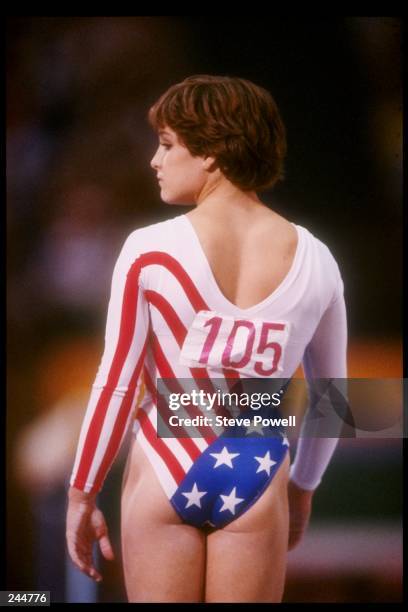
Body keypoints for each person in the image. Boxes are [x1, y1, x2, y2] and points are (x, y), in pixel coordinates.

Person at [66, 74, 347, 603]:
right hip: (257, 465)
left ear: (213, 152)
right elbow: (332, 398)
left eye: (168, 144)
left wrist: (82, 492)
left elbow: (116, 385)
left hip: (165, 461)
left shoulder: (150, 249)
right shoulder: (318, 260)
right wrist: (303, 489)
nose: (154, 159)